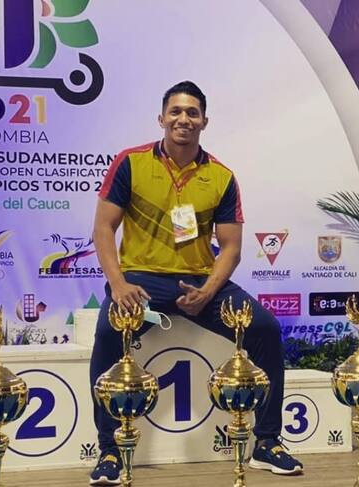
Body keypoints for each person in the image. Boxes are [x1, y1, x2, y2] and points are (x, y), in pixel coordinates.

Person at [89, 81, 303, 485]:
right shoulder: (130, 162)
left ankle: (267, 442)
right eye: (176, 111)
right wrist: (118, 284)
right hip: (141, 280)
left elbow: (231, 247)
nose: (183, 119)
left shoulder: (221, 176)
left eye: (192, 113)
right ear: (161, 118)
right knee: (107, 336)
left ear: (205, 121)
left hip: (199, 282)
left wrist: (208, 291)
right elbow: (103, 229)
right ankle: (109, 450)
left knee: (265, 329)